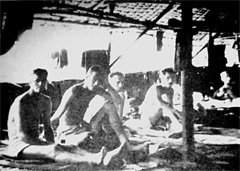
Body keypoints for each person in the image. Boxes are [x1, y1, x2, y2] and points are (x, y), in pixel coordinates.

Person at [5, 68, 105, 165]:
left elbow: (48, 128)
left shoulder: (46, 100)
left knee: (67, 147)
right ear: (30, 83)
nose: (40, 84)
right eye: (37, 81)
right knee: (53, 149)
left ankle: (94, 156)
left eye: (43, 81)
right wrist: (48, 145)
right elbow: (23, 136)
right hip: (20, 146)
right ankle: (91, 161)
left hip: (34, 141)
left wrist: (51, 142)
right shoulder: (21, 102)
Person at [51, 65, 128, 166]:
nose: (96, 83)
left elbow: (118, 101)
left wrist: (107, 85)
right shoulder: (74, 91)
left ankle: (125, 143)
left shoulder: (96, 89)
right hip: (68, 132)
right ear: (86, 77)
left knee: (109, 106)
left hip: (82, 126)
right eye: (94, 79)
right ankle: (101, 157)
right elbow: (57, 116)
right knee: (88, 138)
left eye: (100, 81)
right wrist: (48, 132)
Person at [124, 68, 182, 137]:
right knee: (163, 107)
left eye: (173, 77)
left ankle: (177, 127)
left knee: (169, 110)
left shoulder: (170, 90)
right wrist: (176, 112)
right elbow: (161, 104)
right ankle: (178, 127)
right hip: (147, 117)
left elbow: (170, 106)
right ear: (162, 77)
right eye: (168, 78)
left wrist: (176, 114)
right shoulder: (156, 88)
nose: (170, 80)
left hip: (157, 117)